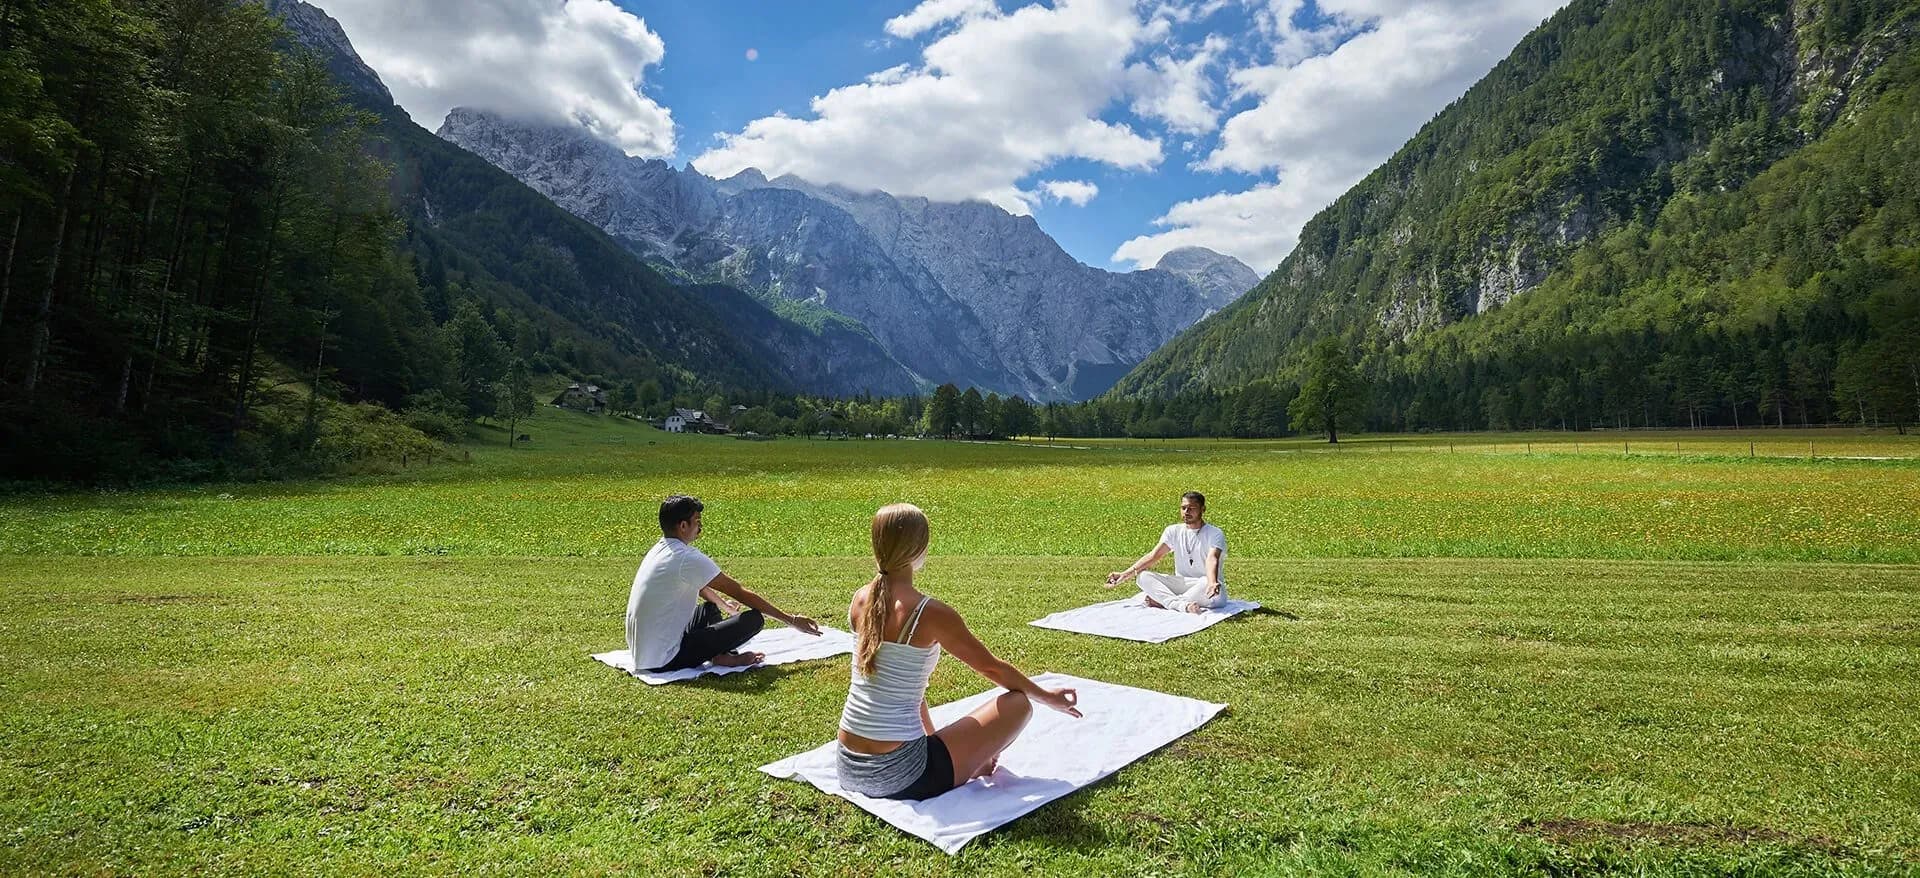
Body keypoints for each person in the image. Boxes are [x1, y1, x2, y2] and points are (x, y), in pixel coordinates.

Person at [836, 503, 1082, 800]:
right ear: (919, 549)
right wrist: (1048, 698)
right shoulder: (930, 613)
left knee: (934, 730)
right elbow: (993, 669)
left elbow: (904, 690)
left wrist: (932, 739)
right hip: (903, 776)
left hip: (849, 766)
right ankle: (973, 765)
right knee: (1018, 704)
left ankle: (963, 761)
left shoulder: (860, 600)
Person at [626, 495, 820, 672]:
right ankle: (727, 658)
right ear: (683, 526)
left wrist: (723, 605)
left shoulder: (661, 549)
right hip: (665, 659)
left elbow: (699, 585)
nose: (700, 528)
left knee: (709, 609)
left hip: (645, 655)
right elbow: (739, 592)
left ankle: (721, 656)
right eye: (697, 522)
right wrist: (791, 620)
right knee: (754, 619)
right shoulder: (685, 557)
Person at [1104, 491, 1228, 614]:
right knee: (1143, 576)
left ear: (1203, 509)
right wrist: (1124, 575)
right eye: (1183, 508)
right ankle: (1179, 604)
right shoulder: (1173, 531)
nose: (1186, 512)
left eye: (1191, 508)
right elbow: (1154, 556)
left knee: (1204, 582)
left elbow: (1212, 559)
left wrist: (1212, 582)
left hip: (1208, 589)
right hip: (1182, 583)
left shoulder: (1215, 533)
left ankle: (1165, 602)